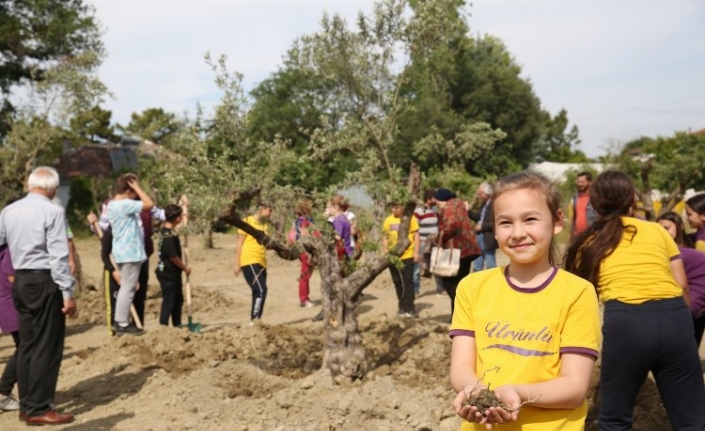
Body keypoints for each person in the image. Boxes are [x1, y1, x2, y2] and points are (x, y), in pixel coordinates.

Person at [450, 171, 600, 431]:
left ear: (556, 221)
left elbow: (575, 387)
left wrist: (517, 393)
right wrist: (474, 391)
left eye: (530, 219)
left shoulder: (577, 292)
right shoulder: (472, 287)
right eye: (505, 222)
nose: (518, 233)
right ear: (494, 229)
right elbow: (461, 365)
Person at [564, 170, 705, 430]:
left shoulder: (588, 242)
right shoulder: (656, 231)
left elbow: (578, 296)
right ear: (632, 200)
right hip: (674, 315)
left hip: (627, 323)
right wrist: (683, 327)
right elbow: (682, 284)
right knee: (692, 420)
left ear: (593, 204)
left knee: (615, 420)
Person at [0, 166, 76, 425]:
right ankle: (40, 407)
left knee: (28, 346)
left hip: (20, 280)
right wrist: (68, 291)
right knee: (47, 345)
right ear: (52, 187)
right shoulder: (53, 211)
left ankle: (27, 404)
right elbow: (58, 255)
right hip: (44, 280)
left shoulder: (8, 211)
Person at [107, 173, 154, 335]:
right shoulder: (124, 204)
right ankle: (122, 322)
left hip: (121, 251)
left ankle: (121, 321)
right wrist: (137, 188)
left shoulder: (112, 204)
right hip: (130, 252)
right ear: (129, 190)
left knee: (126, 288)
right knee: (128, 288)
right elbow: (149, 204)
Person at [657, 211, 705, 348]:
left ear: (679, 227)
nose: (663, 233)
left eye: (667, 228)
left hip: (693, 303)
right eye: (659, 229)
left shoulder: (680, 252)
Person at [432, 188, 480, 316]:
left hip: (457, 251)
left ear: (442, 201)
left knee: (450, 284)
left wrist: (439, 235)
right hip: (468, 250)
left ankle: (464, 311)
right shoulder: (460, 206)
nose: (437, 206)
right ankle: (459, 317)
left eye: (437, 203)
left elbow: (452, 225)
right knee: (461, 284)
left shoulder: (449, 208)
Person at [233, 202, 272, 326]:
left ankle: (255, 319)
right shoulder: (246, 222)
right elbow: (239, 243)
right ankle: (255, 319)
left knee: (258, 291)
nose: (271, 214)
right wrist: (237, 263)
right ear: (261, 209)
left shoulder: (265, 226)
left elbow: (265, 245)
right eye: (269, 210)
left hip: (261, 262)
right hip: (249, 260)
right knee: (261, 289)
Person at [382, 202, 421, 317]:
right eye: (393, 207)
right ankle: (402, 307)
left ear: (402, 207)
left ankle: (410, 308)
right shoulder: (388, 220)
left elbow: (416, 236)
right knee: (398, 282)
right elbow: (385, 237)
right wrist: (386, 252)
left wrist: (416, 252)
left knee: (408, 282)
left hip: (407, 255)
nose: (394, 210)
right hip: (393, 257)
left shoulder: (410, 219)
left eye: (397, 207)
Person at [155, 204, 189, 327]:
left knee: (178, 300)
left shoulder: (167, 230)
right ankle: (163, 327)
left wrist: (185, 208)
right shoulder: (168, 236)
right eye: (180, 216)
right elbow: (173, 257)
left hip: (172, 273)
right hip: (168, 273)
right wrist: (185, 267)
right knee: (169, 301)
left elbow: (183, 228)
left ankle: (177, 325)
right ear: (177, 218)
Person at [0, 242, 20, 412]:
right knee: (25, 348)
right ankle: (3, 391)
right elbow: (13, 278)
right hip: (13, 306)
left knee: (24, 347)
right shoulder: (7, 251)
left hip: (8, 306)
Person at [413, 189, 444, 295]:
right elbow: (414, 228)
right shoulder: (419, 211)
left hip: (434, 243)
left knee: (437, 265)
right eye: (433, 198)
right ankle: (415, 290)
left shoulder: (435, 210)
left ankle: (440, 288)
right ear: (428, 199)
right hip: (422, 243)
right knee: (418, 267)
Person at [289, 198, 316, 308]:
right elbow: (307, 235)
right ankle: (304, 299)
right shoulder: (306, 221)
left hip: (301, 249)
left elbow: (290, 237)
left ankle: (305, 297)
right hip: (306, 249)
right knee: (305, 274)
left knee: (306, 273)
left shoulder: (297, 221)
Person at [468, 182, 498, 272]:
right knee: (477, 263)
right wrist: (469, 210)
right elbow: (478, 217)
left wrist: (482, 227)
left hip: (488, 237)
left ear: (487, 193)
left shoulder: (494, 204)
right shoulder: (484, 204)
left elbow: (494, 222)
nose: (479, 196)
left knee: (490, 264)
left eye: (480, 193)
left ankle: (493, 283)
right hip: (480, 236)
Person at [570, 171, 596, 239]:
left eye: (582, 182)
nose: (580, 184)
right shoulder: (576, 196)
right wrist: (572, 232)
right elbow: (575, 215)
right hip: (578, 236)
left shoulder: (596, 197)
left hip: (592, 235)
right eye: (578, 182)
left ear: (590, 182)